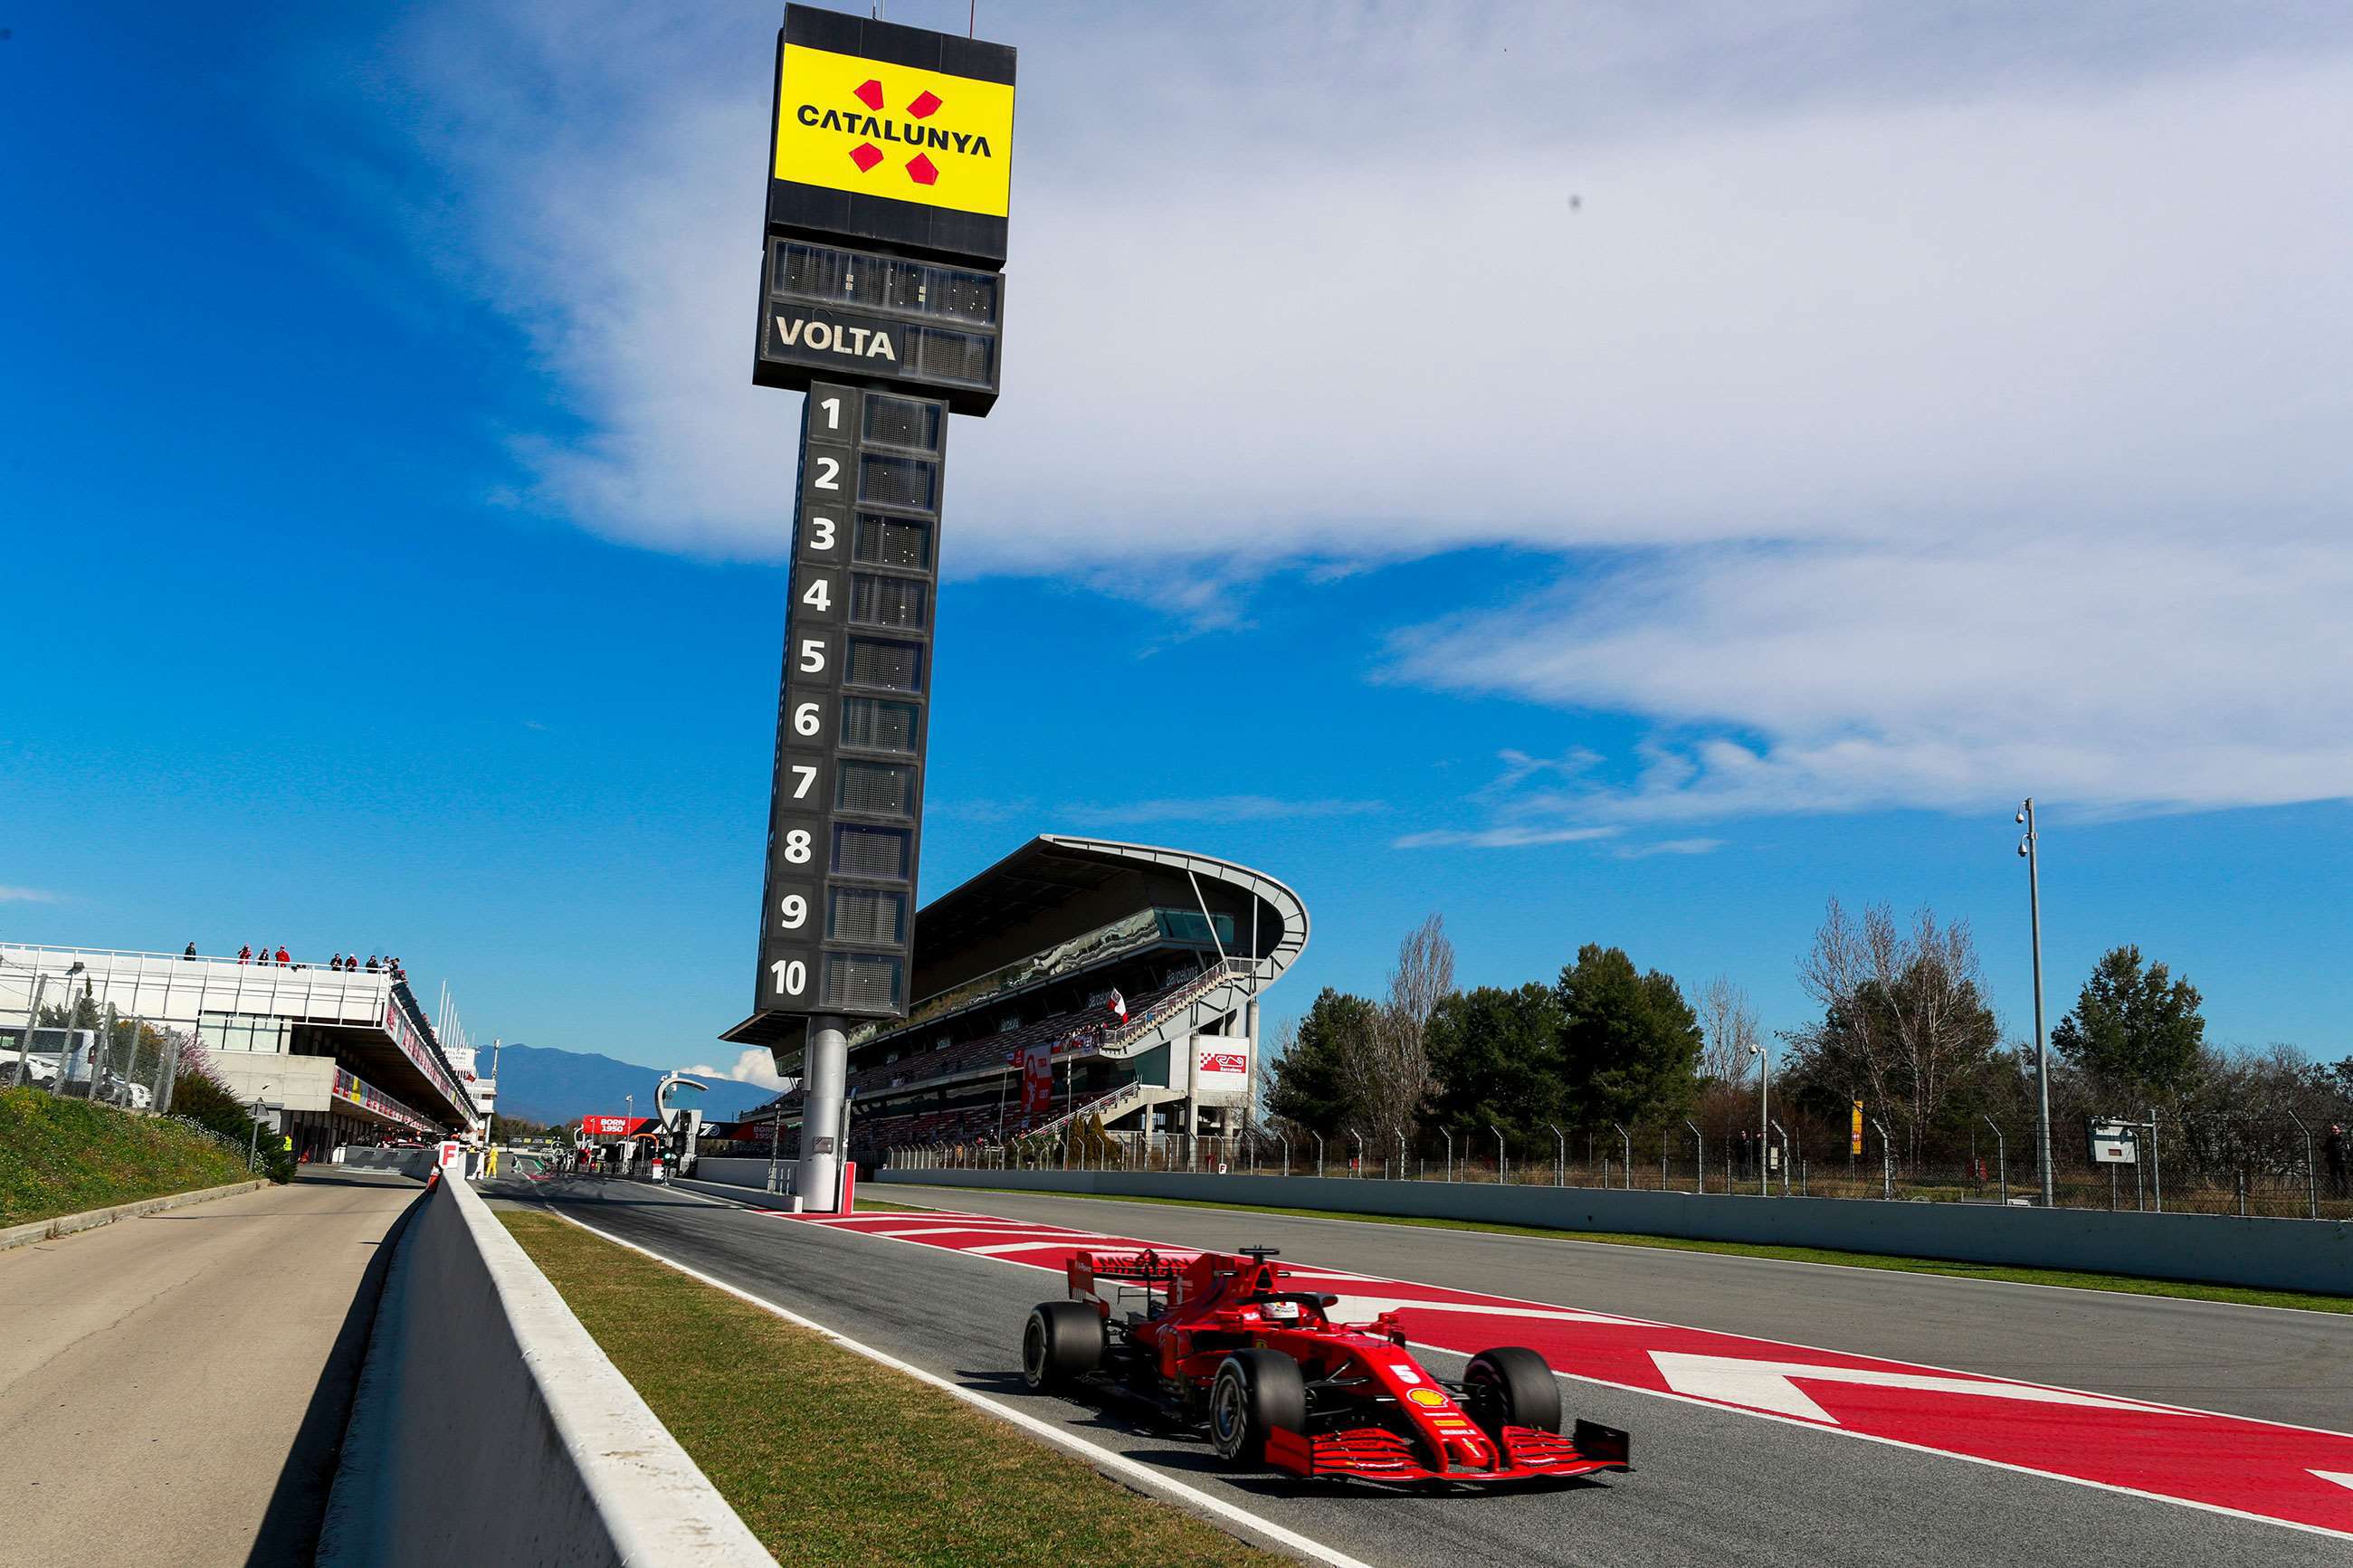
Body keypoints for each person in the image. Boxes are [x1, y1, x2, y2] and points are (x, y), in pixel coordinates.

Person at [2327, 1124, 2348, 1201]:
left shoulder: (2342, 1138)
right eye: (2332, 1129)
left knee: (2344, 1178)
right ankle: (2336, 1196)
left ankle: (2345, 1196)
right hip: (2333, 1162)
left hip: (2342, 1161)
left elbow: (2337, 1147)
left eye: (2335, 1129)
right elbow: (2326, 1148)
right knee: (2334, 1179)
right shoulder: (2330, 1139)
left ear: (2339, 1130)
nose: (2334, 1131)